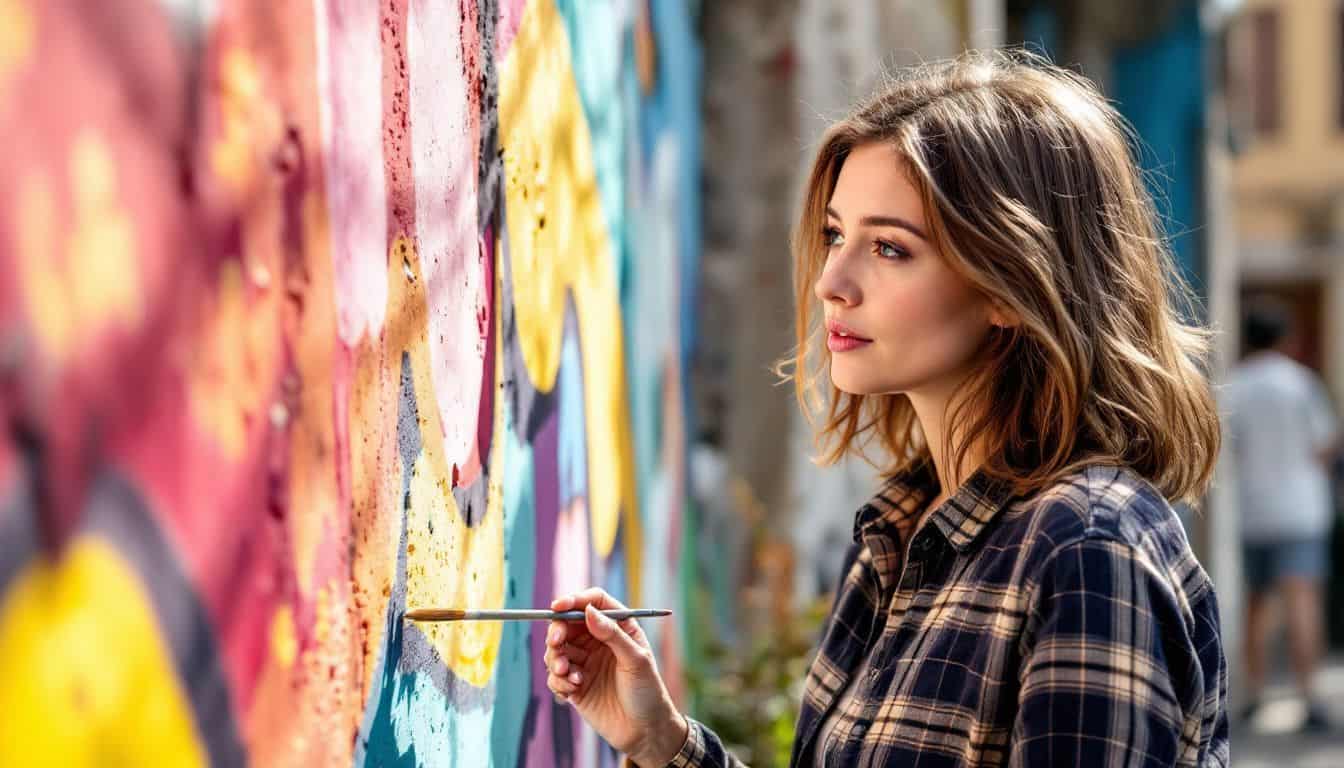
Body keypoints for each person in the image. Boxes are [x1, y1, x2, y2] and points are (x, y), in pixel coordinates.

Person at [543, 50, 1229, 767]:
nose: (832, 282)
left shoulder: (1086, 549)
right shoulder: (905, 530)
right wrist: (664, 744)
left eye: (891, 249)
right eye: (837, 235)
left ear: (1010, 284)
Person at [1226, 298, 1341, 732]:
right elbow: (1326, 443)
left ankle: (1254, 694)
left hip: (1255, 510)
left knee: (1257, 604)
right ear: (1285, 338)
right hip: (1300, 511)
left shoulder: (1234, 384)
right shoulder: (1300, 383)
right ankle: (1309, 697)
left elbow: (1228, 448)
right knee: (1302, 602)